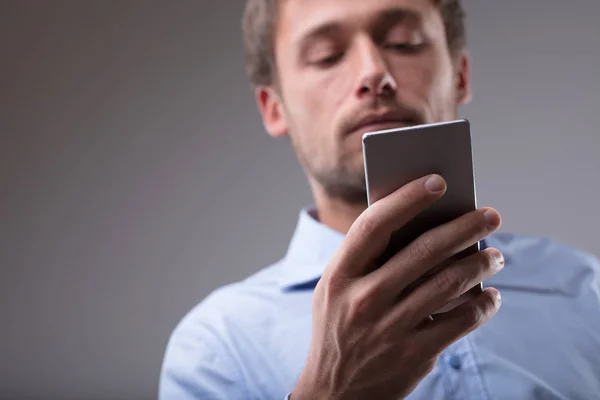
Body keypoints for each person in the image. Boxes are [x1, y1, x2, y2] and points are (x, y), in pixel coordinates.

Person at [159, 0, 600, 398]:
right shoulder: (215, 349)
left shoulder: (587, 291)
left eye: (404, 43)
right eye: (326, 56)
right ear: (274, 108)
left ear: (460, 75)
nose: (373, 73)